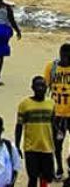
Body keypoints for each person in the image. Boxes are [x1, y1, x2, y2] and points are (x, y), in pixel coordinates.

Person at [15, 76, 55, 187]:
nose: (40, 88)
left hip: (47, 147)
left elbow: (53, 124)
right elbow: (19, 127)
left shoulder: (51, 104)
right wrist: (17, 146)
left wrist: (56, 142)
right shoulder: (24, 105)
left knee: (46, 177)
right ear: (32, 87)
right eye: (38, 86)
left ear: (46, 87)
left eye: (43, 86)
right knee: (32, 177)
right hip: (31, 148)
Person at [44, 43, 70, 180]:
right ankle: (59, 168)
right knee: (57, 144)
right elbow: (44, 87)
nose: (66, 59)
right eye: (64, 56)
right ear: (60, 54)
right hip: (57, 114)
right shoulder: (51, 68)